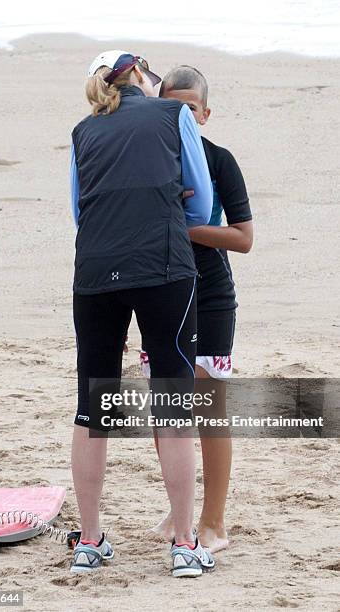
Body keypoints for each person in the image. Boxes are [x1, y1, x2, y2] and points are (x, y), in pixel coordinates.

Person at [69, 51, 216, 577]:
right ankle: (184, 544)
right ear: (135, 75)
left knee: (94, 408)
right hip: (164, 266)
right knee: (173, 401)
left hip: (95, 271)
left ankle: (89, 541)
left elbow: (78, 210)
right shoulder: (173, 115)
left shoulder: (82, 131)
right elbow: (201, 206)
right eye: (148, 71)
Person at [141, 65, 253, 552]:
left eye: (191, 108)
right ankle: (180, 511)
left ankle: (214, 521)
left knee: (209, 411)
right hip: (159, 294)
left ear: (204, 114)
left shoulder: (219, 160)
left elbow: (243, 239)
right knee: (167, 411)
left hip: (209, 295)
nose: (182, 115)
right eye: (173, 107)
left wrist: (181, 229)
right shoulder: (146, 159)